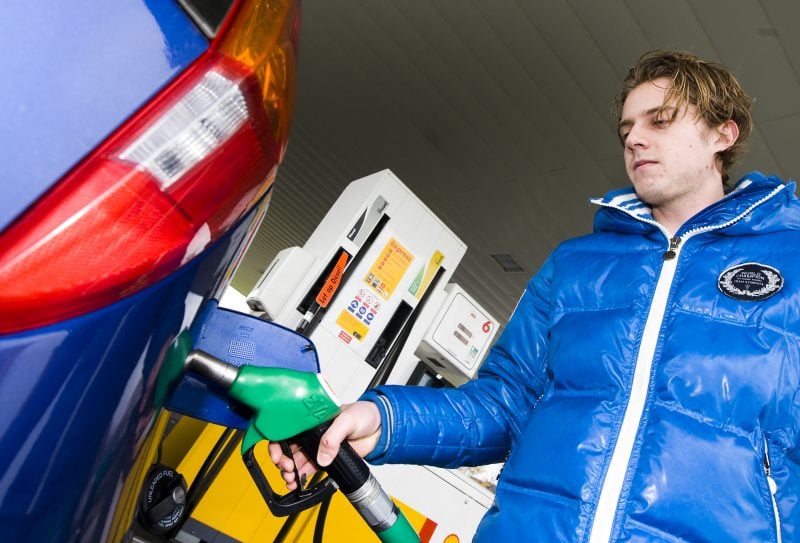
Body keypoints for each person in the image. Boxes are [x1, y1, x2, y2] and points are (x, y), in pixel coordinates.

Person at [270, 50, 800, 542]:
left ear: (721, 135)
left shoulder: (792, 263)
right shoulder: (574, 264)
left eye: (659, 120)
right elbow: (502, 404)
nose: (635, 139)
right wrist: (381, 420)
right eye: (627, 129)